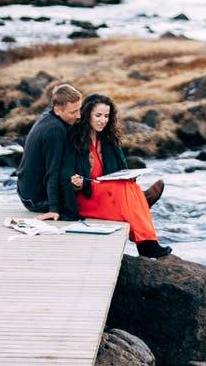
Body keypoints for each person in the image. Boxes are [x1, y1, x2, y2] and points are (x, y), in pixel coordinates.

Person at [59, 94, 172, 258]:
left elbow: (121, 169)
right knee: (126, 189)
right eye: (98, 115)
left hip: (107, 193)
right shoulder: (74, 139)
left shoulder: (108, 138)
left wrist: (130, 175)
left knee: (128, 185)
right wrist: (77, 182)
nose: (102, 120)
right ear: (87, 114)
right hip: (86, 197)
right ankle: (146, 237)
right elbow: (65, 173)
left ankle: (145, 229)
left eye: (106, 116)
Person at [16, 83, 83, 221]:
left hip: (25, 191)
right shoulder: (55, 130)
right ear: (58, 110)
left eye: (79, 109)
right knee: (88, 200)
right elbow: (52, 171)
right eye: (73, 112)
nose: (78, 116)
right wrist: (54, 209)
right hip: (35, 200)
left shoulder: (49, 116)